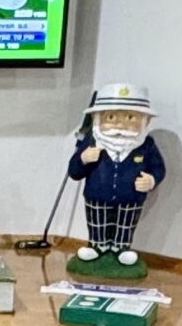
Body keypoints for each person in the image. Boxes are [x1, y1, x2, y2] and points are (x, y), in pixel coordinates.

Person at [69, 82, 165, 274]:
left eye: (130, 117)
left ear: (145, 121)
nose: (120, 125)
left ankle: (121, 247)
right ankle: (97, 245)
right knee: (98, 221)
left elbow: (158, 168)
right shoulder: (91, 141)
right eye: (111, 117)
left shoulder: (146, 145)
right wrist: (83, 159)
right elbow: (74, 172)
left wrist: (151, 180)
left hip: (131, 199)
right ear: (97, 119)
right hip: (97, 196)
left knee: (125, 224)